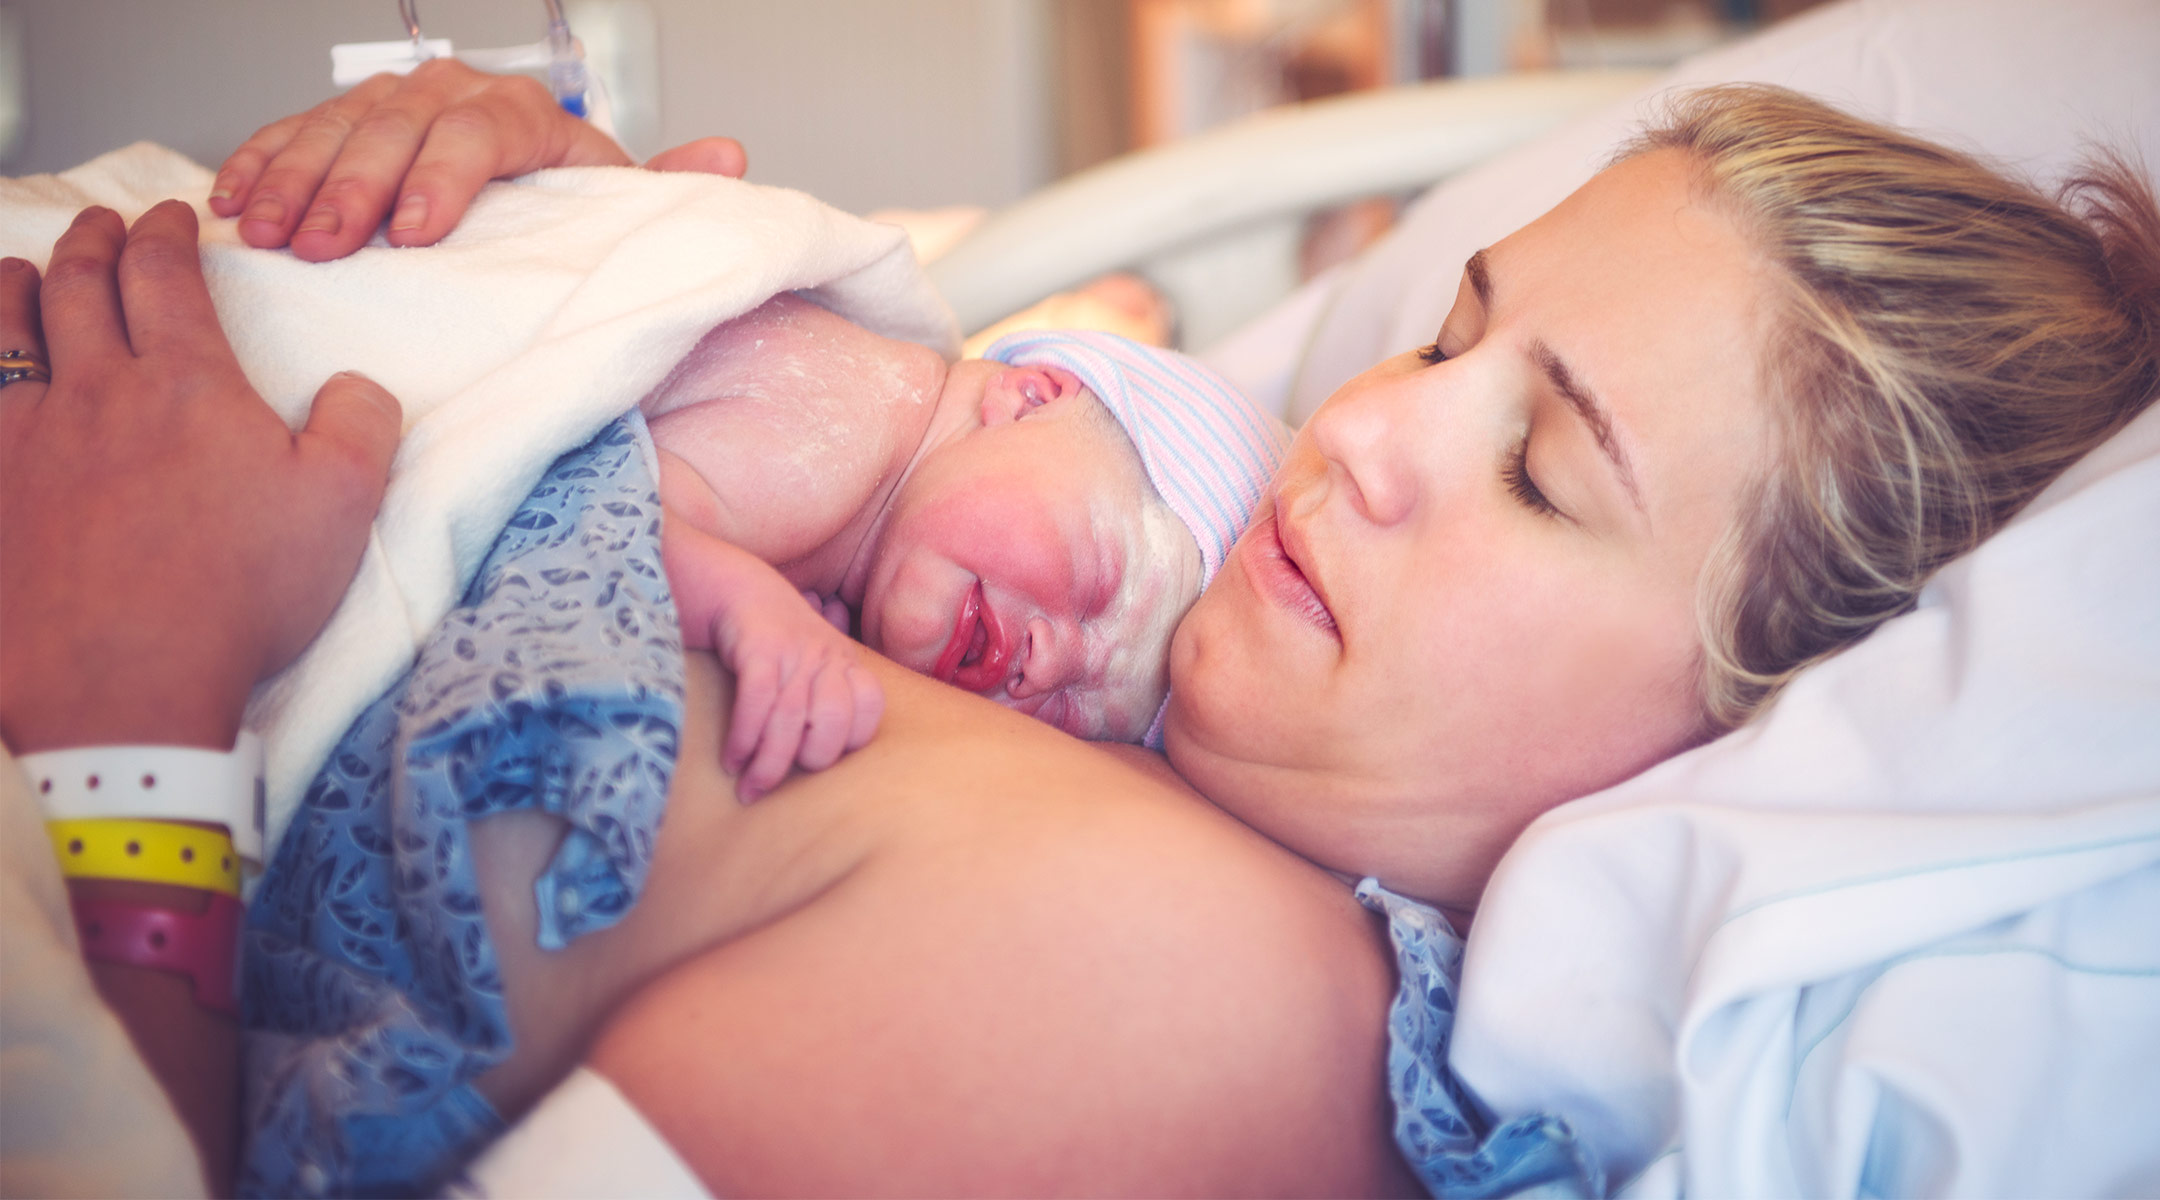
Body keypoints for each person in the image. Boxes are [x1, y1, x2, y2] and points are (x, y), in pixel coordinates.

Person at [6, 57, 2154, 1196]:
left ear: (1732, 740)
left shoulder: (1193, 1005)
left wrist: (131, 709)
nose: (1373, 436)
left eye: (1539, 474)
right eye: (1444, 340)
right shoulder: (1110, 695)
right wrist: (539, 225)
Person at [644, 302, 1285, 798]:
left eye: (1071, 711)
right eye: (1094, 586)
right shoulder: (845, 417)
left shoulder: (861, 539)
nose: (1049, 664)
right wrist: (743, 604)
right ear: (1030, 399)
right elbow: (615, 516)